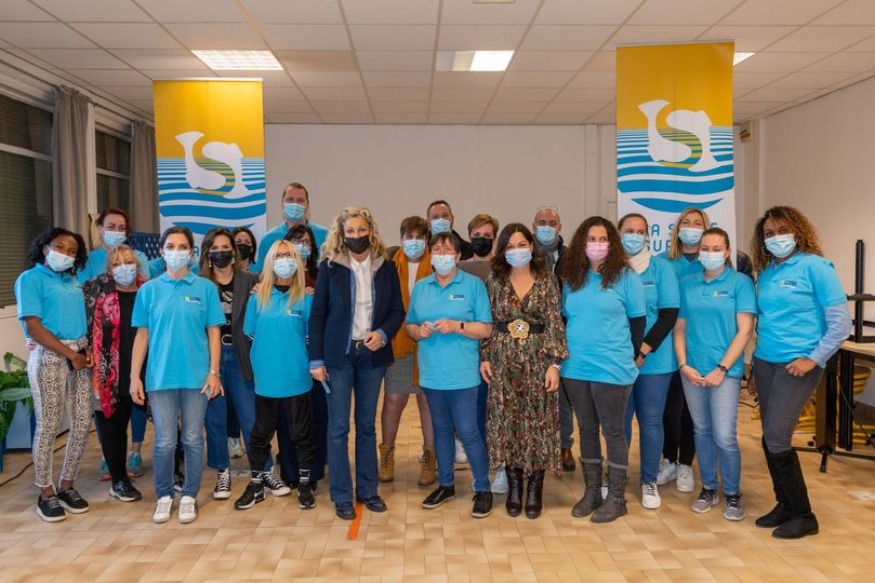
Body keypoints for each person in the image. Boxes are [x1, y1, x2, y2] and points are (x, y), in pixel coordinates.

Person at [750, 206, 851, 539]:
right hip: (766, 363)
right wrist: (755, 368)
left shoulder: (816, 267)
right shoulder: (767, 273)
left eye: (782, 230)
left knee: (778, 436)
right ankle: (785, 505)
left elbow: (841, 324)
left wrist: (813, 358)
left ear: (797, 231)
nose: (776, 238)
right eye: (769, 234)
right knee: (769, 436)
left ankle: (804, 515)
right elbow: (765, 323)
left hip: (798, 366)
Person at [308, 207, 405, 520]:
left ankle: (368, 490)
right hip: (339, 357)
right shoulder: (330, 266)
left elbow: (397, 311)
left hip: (371, 356)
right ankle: (341, 496)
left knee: (366, 426)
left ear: (371, 230)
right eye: (350, 231)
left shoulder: (385, 265)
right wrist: (316, 359)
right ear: (342, 234)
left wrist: (383, 334)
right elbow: (318, 314)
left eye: (362, 230)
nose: (356, 236)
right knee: (338, 427)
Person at [130, 226, 225, 525]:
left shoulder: (205, 288)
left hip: (197, 377)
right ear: (161, 251)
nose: (176, 252)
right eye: (170, 246)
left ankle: (189, 496)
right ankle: (163, 496)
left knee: (194, 439)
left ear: (192, 252)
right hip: (160, 378)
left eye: (182, 246)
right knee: (164, 441)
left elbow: (214, 333)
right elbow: (142, 336)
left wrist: (214, 372)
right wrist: (134, 377)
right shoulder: (148, 290)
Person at [558, 216, 646, 524]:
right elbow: (566, 319)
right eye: (591, 239)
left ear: (613, 243)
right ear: (581, 243)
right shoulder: (572, 279)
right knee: (586, 429)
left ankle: (617, 498)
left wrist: (630, 355)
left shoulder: (626, 277)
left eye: (603, 239)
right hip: (576, 368)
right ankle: (592, 492)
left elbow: (638, 322)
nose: (597, 245)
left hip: (612, 369)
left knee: (613, 431)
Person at [480, 224, 568, 519]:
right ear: (502, 251)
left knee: (539, 423)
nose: (516, 250)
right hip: (503, 361)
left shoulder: (548, 280)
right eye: (510, 246)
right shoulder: (494, 280)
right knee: (508, 423)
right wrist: (485, 356)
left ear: (532, 246)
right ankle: (515, 485)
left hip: (539, 361)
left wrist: (555, 364)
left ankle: (535, 488)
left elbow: (555, 323)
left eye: (521, 244)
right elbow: (487, 322)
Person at [406, 232, 494, 518]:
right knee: (441, 430)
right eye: (437, 250)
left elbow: (486, 328)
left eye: (447, 250)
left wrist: (458, 326)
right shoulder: (422, 287)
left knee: (468, 431)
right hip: (432, 374)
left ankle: (483, 488)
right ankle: (446, 484)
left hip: (463, 374)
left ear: (458, 256)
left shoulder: (473, 285)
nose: (442, 255)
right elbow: (409, 325)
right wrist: (418, 331)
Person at [198, 228, 288, 500]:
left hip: (241, 358)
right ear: (207, 253)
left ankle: (265, 470)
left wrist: (302, 289)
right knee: (214, 420)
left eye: (226, 247)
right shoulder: (200, 283)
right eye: (215, 248)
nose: (222, 252)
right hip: (209, 361)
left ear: (234, 252)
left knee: (251, 418)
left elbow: (283, 286)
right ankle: (222, 473)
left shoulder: (250, 280)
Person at [674, 227, 755, 522]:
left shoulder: (740, 283)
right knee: (702, 431)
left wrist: (722, 369)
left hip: (725, 372)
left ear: (727, 251)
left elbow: (745, 330)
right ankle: (709, 488)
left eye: (716, 248)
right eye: (705, 248)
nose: (710, 253)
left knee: (724, 435)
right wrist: (683, 365)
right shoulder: (687, 283)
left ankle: (732, 493)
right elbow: (679, 328)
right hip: (692, 371)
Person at [15, 227, 92, 522]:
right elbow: (33, 326)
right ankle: (45, 492)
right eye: (60, 247)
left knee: (82, 423)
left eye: (72, 251)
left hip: (79, 355)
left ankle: (67, 486)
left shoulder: (73, 280)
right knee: (48, 425)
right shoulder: (30, 279)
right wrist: (70, 355)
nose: (66, 254)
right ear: (45, 248)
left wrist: (84, 350)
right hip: (50, 355)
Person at [235, 240, 317, 511]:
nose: (284, 260)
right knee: (260, 434)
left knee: (301, 434)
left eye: (289, 255)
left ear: (298, 261)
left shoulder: (306, 298)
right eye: (279, 255)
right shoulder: (257, 297)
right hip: (266, 379)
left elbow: (311, 338)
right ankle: (256, 483)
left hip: (296, 378)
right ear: (270, 261)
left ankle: (304, 483)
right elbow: (249, 333)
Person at [78, 208, 149, 479]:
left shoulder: (147, 290)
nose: (124, 267)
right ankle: (113, 464)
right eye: (117, 264)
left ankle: (136, 452)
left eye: (128, 263)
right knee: (112, 420)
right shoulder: (94, 285)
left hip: (142, 360)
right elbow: (84, 318)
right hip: (109, 364)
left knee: (146, 410)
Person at [618, 214, 680, 510]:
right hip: (618, 359)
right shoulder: (610, 270)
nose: (634, 235)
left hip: (654, 360)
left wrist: (642, 351)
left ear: (648, 236)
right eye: (628, 230)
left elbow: (668, 315)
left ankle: (649, 480)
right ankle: (616, 476)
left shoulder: (662, 268)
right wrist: (626, 353)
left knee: (651, 421)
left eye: (640, 231)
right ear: (618, 233)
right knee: (619, 421)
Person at [379, 216, 436, 487]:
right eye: (409, 237)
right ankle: (387, 454)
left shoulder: (436, 265)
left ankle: (430, 457)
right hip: (397, 342)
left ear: (427, 240)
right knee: (394, 399)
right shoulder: (389, 265)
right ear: (401, 238)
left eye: (419, 237)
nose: (414, 242)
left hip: (430, 343)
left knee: (427, 401)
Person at [659, 206, 709, 493]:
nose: (691, 227)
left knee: (691, 410)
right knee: (668, 409)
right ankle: (668, 458)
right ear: (677, 230)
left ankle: (686, 463)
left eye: (697, 223)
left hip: (699, 346)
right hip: (666, 347)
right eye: (686, 222)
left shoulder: (710, 264)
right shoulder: (663, 262)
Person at [277, 225, 328, 488]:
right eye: (296, 241)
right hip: (286, 359)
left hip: (316, 357)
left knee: (316, 414)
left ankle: (314, 470)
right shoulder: (276, 280)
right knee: (287, 418)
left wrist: (317, 297)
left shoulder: (322, 275)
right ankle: (290, 470)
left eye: (307, 242)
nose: (301, 246)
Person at [532, 205, 576, 473]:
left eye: (551, 223)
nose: (546, 227)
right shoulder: (524, 254)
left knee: (562, 394)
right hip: (530, 333)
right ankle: (535, 446)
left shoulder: (572, 257)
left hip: (564, 332)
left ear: (559, 227)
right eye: (541, 222)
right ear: (533, 225)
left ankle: (564, 445)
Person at [458, 213, 499, 485]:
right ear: (468, 236)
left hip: (497, 348)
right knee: (473, 409)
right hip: (466, 348)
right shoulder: (460, 268)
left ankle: (497, 462)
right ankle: (479, 462)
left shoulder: (503, 267)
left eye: (487, 236)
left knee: (494, 408)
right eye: (477, 235)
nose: (481, 240)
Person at [254, 182, 329, 272]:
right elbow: (261, 274)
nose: (295, 204)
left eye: (300, 200)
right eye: (290, 200)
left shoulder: (325, 235)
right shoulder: (268, 238)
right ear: (282, 204)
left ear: (307, 205)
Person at [77, 207, 148, 284]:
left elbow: (144, 286)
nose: (117, 231)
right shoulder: (87, 261)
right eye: (111, 227)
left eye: (122, 228)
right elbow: (83, 288)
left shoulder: (138, 257)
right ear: (100, 229)